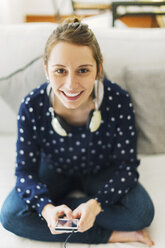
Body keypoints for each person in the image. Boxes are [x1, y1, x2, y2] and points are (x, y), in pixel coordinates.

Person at [0, 17, 155, 247]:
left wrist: (96, 204)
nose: (71, 85)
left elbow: (126, 167)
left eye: (83, 70)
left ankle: (74, 210)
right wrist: (46, 207)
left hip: (101, 171)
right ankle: (106, 234)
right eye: (60, 71)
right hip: (54, 170)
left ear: (98, 69)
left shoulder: (118, 101)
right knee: (10, 215)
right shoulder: (32, 106)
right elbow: (25, 173)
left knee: (142, 213)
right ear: (46, 70)